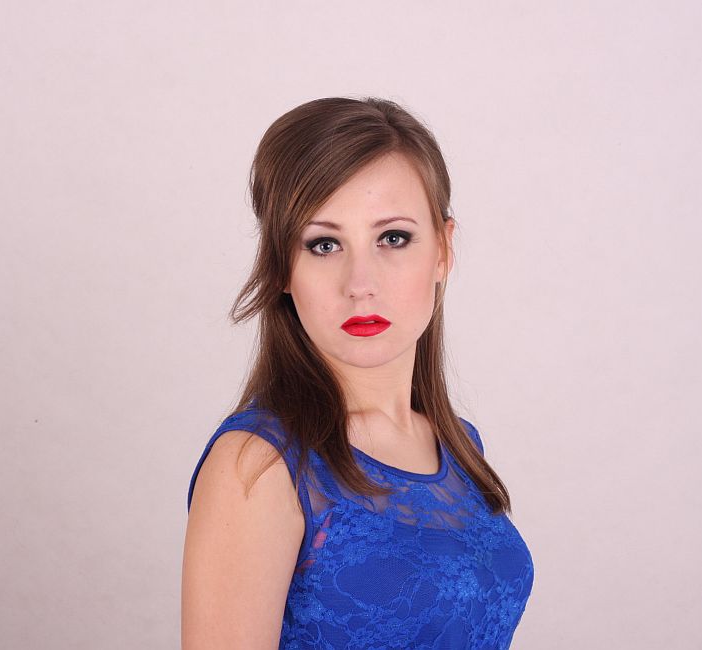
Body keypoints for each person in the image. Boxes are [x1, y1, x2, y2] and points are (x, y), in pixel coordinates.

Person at [181, 97, 534, 649]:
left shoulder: (459, 444)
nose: (360, 284)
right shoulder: (259, 465)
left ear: (443, 249)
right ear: (281, 267)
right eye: (324, 244)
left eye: (392, 238)